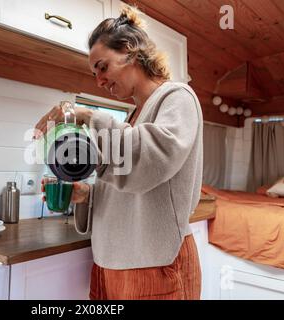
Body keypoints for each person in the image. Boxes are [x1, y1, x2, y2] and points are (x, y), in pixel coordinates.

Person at [35, 4, 203, 300]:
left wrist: (86, 115)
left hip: (153, 264)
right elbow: (129, 189)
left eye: (103, 66)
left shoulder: (177, 97)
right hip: (111, 262)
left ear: (130, 50)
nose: (99, 80)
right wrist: (86, 195)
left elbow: (147, 162)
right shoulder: (134, 116)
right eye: (94, 72)